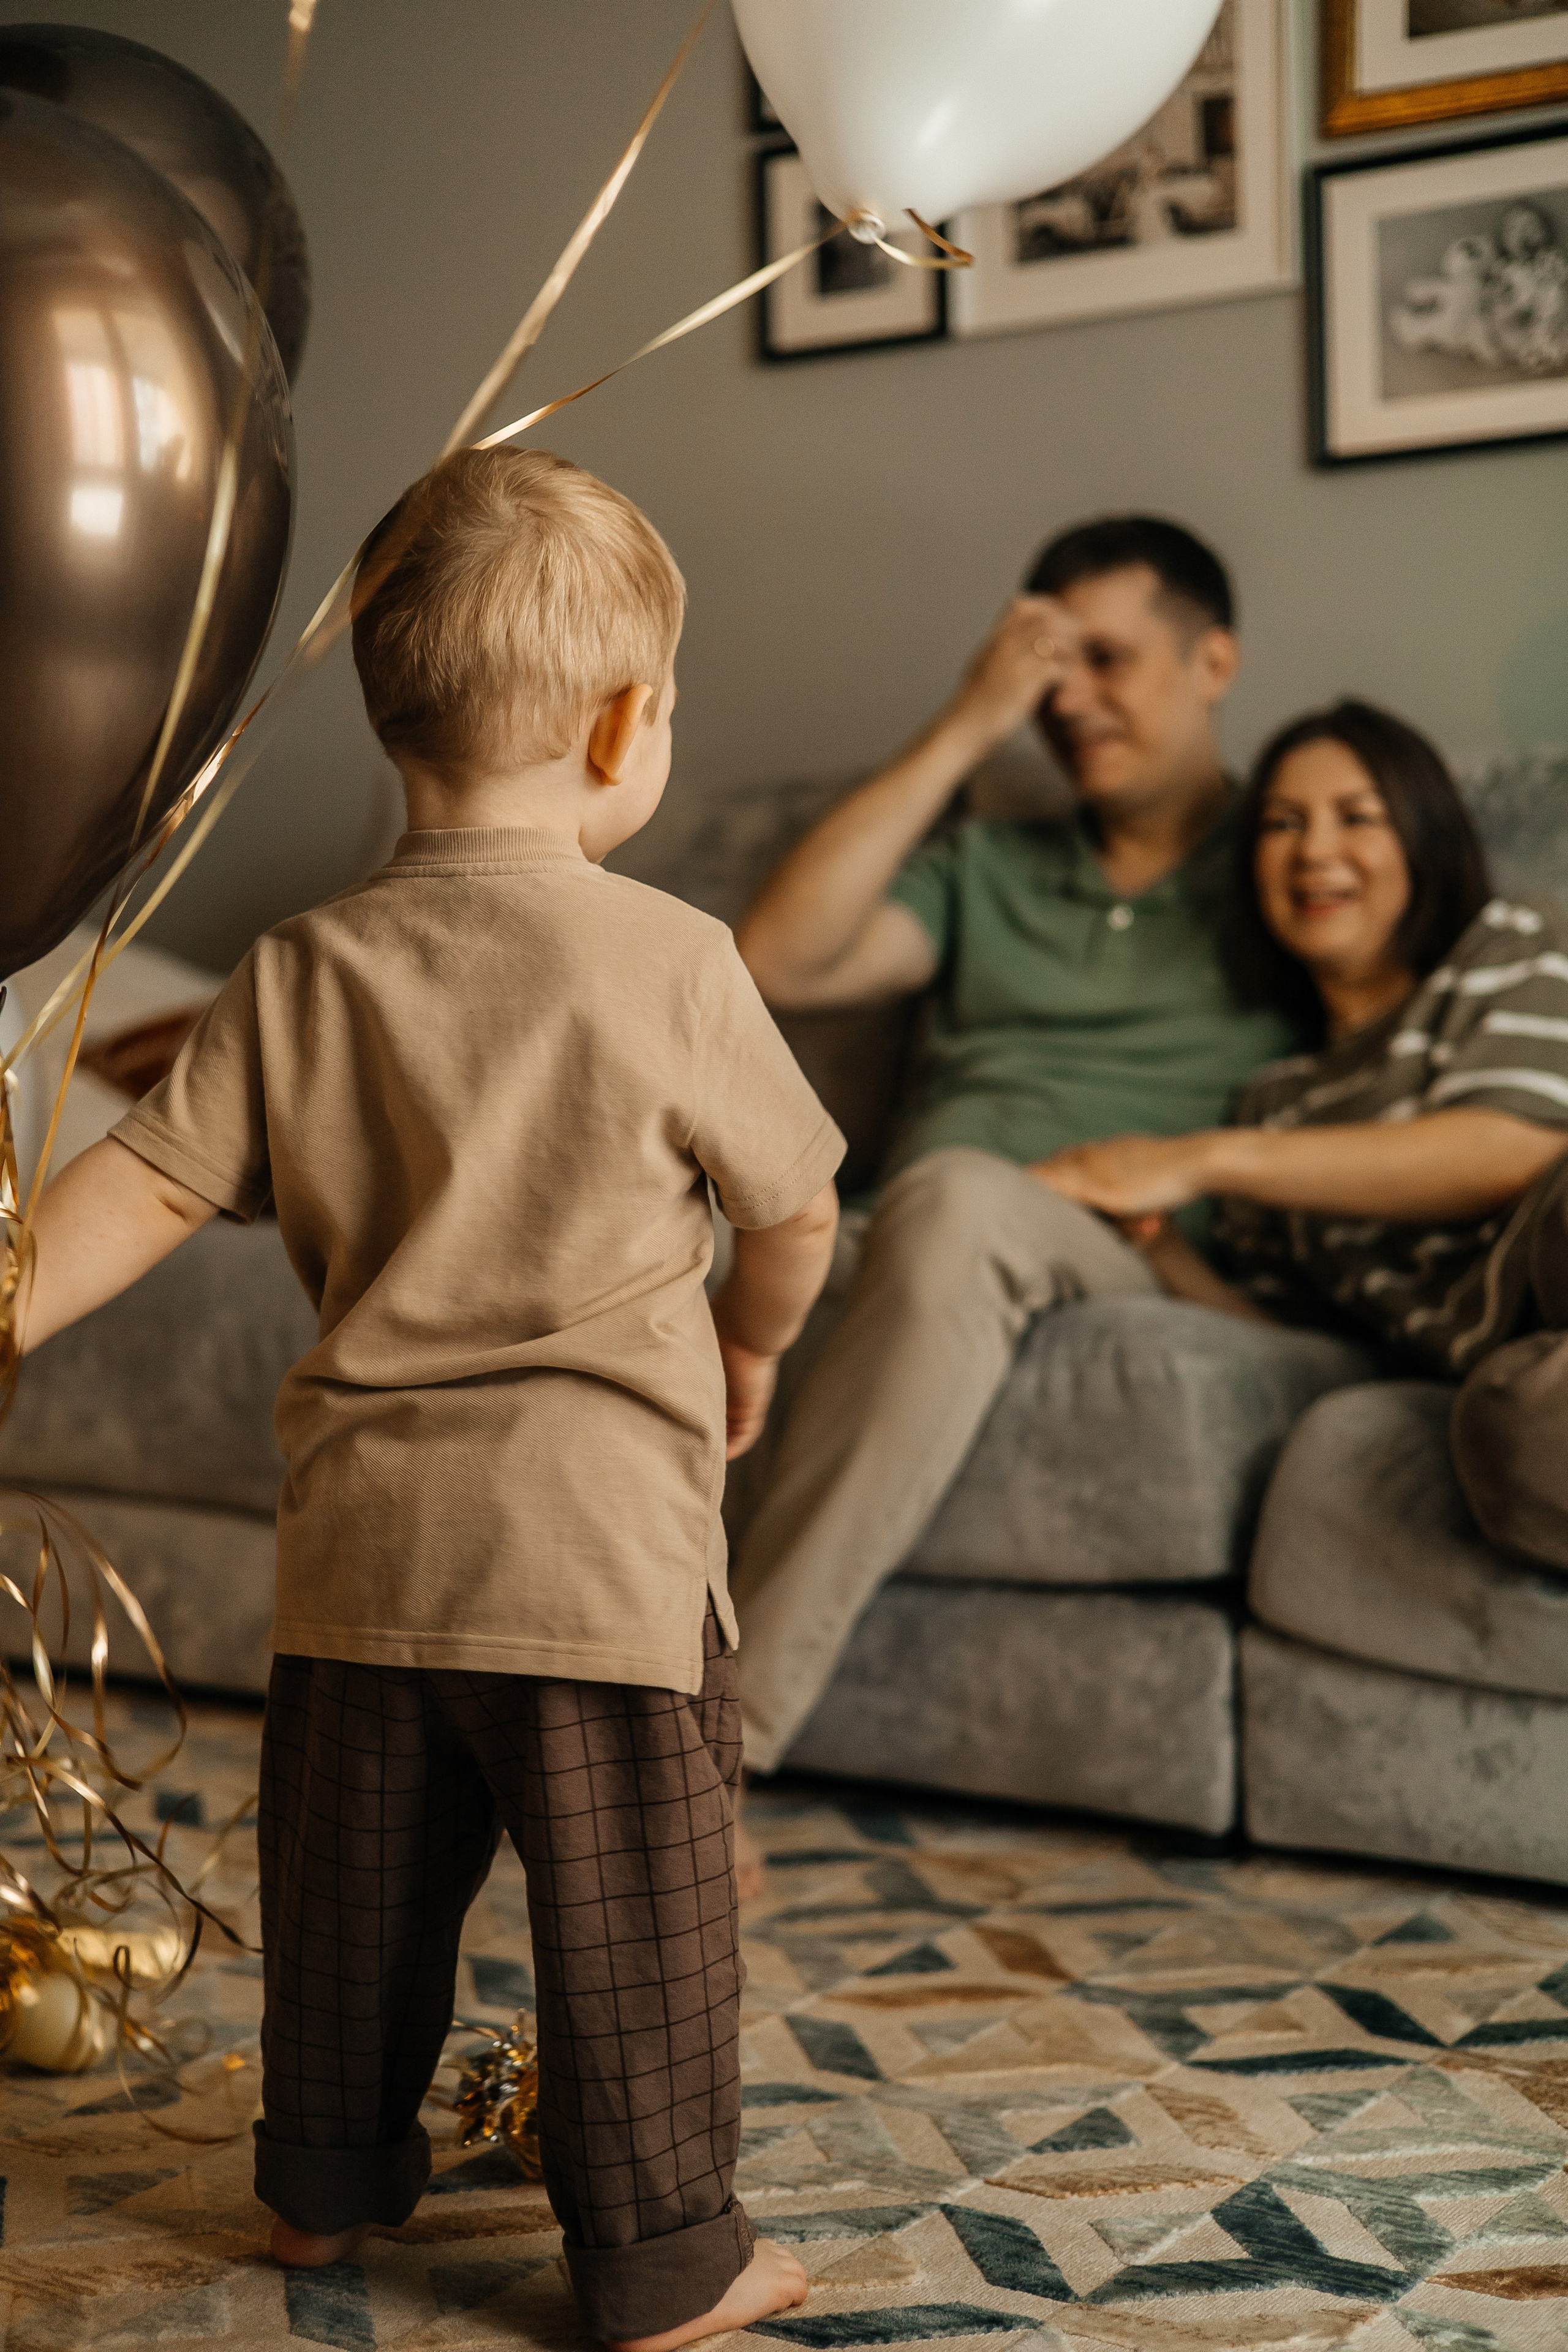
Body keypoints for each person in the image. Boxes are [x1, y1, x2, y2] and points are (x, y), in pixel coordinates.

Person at [17, 449, 846, 2352]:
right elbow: (797, 1209)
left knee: (355, 1907)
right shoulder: (677, 961)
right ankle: (665, 2260)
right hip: (600, 1577)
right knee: (635, 1924)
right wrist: (756, 1346)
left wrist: (8, 1305)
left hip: (364, 1561)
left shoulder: (299, 968)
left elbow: (142, 1187)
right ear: (625, 725)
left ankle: (319, 2187)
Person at [731, 516, 1295, 1788]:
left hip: (1112, 1242)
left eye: (1107, 659)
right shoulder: (986, 862)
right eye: (1045, 666)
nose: (1068, 700)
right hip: (905, 1226)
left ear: (1211, 663)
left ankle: (719, 1747)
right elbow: (779, 960)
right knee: (633, 1240)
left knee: (957, 1207)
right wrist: (964, 728)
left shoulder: (1287, 858)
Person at [1035, 698, 1568, 1567]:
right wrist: (1158, 1245)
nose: (1315, 851)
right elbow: (1288, 1335)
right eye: (1283, 824)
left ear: (1425, 840)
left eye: (1357, 817)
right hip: (1510, 1366)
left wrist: (1194, 1161)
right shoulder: (1273, 1104)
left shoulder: (1509, 941)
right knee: (1513, 1443)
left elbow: (1510, 1151)